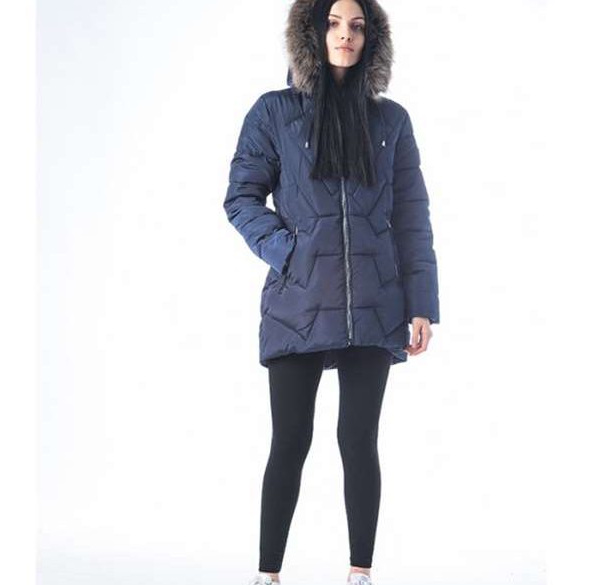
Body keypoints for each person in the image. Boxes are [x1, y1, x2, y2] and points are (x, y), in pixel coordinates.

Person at [223, 0, 440, 583]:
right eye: (334, 24)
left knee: (358, 440)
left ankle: (360, 573)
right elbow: (241, 197)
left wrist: (421, 304)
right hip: (297, 303)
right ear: (312, 32)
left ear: (372, 38)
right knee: (290, 441)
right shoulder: (274, 112)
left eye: (358, 26)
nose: (346, 36)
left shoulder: (391, 121)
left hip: (376, 303)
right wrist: (288, 252)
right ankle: (268, 575)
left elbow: (412, 216)